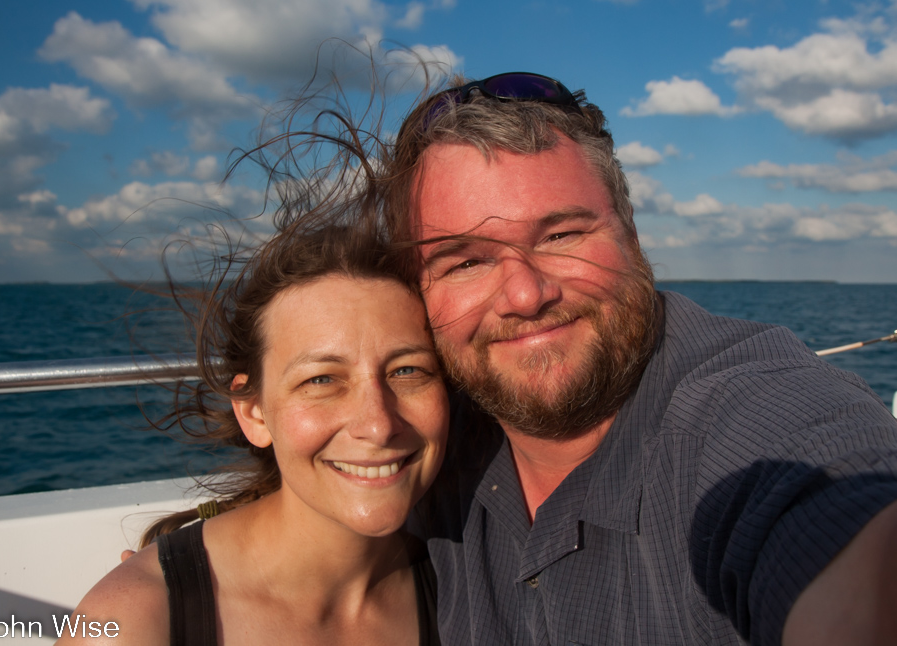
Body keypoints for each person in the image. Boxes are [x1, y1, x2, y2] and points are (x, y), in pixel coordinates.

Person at [384, 72, 897, 645]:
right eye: (465, 262)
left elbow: (837, 504)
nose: (526, 296)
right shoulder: (418, 446)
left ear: (629, 232)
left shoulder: (745, 416)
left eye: (561, 235)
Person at [59, 217, 448, 642]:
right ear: (254, 413)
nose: (378, 424)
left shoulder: (463, 587)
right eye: (321, 380)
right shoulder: (136, 621)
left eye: (408, 370)